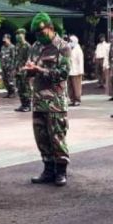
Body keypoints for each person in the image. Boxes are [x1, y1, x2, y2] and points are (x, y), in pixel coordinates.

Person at [24, 12, 71, 186]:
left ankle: (61, 171)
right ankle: (48, 169)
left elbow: (63, 73)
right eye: (36, 33)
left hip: (55, 102)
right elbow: (31, 66)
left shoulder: (62, 47)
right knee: (41, 137)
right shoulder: (35, 46)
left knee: (57, 137)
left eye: (41, 32)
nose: (38, 36)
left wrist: (40, 70)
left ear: (50, 28)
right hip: (38, 100)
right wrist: (29, 70)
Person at [14, 27, 32, 112]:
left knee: (26, 88)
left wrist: (25, 68)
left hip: (25, 71)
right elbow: (16, 58)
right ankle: (23, 104)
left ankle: (28, 105)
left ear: (23, 35)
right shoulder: (17, 46)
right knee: (20, 88)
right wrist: (15, 68)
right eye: (17, 34)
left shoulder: (27, 46)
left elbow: (29, 59)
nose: (18, 36)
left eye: (19, 34)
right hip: (18, 70)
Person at [67, 34, 84, 106]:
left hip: (76, 71)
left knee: (77, 87)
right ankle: (72, 99)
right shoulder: (68, 48)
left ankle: (77, 100)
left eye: (71, 41)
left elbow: (80, 61)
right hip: (69, 70)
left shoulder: (78, 49)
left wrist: (81, 71)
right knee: (70, 86)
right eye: (69, 41)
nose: (70, 42)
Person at [0, 33, 17, 98]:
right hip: (4, 67)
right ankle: (9, 92)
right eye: (4, 40)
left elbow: (14, 57)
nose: (4, 41)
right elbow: (1, 56)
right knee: (5, 80)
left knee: (11, 80)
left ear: (9, 39)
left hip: (10, 67)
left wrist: (13, 67)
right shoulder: (3, 47)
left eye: (5, 40)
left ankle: (13, 92)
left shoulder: (12, 47)